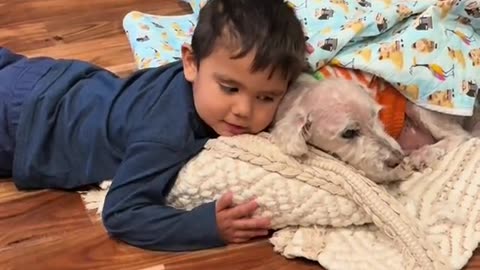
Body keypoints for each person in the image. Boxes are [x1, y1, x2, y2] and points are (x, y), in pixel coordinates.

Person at [0, 0, 306, 251]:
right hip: (24, 127)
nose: (243, 111)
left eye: (266, 97)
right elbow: (122, 214)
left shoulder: (203, 78)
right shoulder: (166, 135)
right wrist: (206, 227)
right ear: (191, 63)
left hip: (46, 79)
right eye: (229, 88)